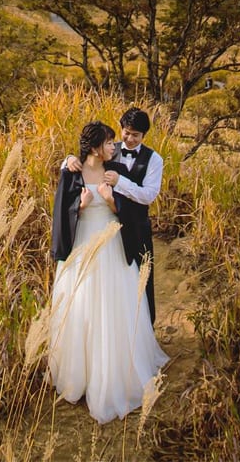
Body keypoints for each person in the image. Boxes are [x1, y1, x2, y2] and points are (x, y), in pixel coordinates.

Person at [49, 121, 168, 424]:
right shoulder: (71, 171)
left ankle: (115, 375)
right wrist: (81, 205)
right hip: (82, 247)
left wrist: (113, 200)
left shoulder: (116, 171)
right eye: (109, 143)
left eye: (116, 142)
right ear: (94, 148)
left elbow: (130, 209)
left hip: (111, 244)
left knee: (115, 307)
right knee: (82, 306)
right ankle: (82, 376)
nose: (115, 147)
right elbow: (61, 211)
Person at [64, 106, 163, 325]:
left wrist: (121, 182)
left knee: (142, 281)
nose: (129, 139)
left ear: (144, 135)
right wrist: (69, 158)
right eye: (126, 133)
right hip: (110, 227)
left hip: (137, 225)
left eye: (135, 135)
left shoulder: (154, 159)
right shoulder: (106, 147)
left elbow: (148, 195)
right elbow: (83, 161)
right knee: (111, 286)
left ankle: (143, 332)